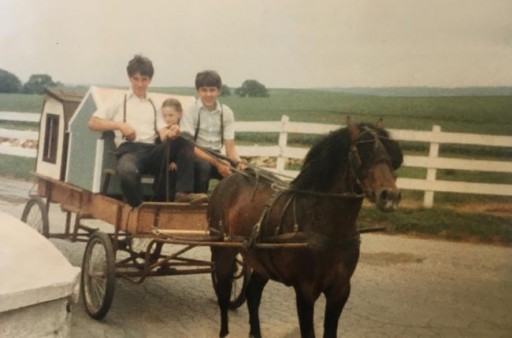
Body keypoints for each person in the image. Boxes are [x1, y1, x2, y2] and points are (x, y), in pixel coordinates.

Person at [88, 55, 207, 207]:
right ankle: (140, 210)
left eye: (144, 79)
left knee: (184, 139)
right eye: (135, 79)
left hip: (152, 151)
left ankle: (183, 193)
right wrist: (119, 125)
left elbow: (162, 132)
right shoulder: (118, 99)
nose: (139, 84)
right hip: (129, 152)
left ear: (150, 80)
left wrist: (172, 134)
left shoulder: (154, 102)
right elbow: (93, 123)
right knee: (127, 171)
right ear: (129, 78)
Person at [180, 70, 245, 193]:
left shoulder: (226, 112)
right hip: (197, 155)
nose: (208, 94)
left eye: (212, 90)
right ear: (198, 91)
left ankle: (226, 208)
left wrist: (240, 163)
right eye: (204, 90)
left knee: (238, 174)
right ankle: (199, 203)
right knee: (203, 167)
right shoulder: (190, 111)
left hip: (218, 155)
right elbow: (189, 146)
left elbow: (230, 149)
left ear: (219, 91)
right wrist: (217, 163)